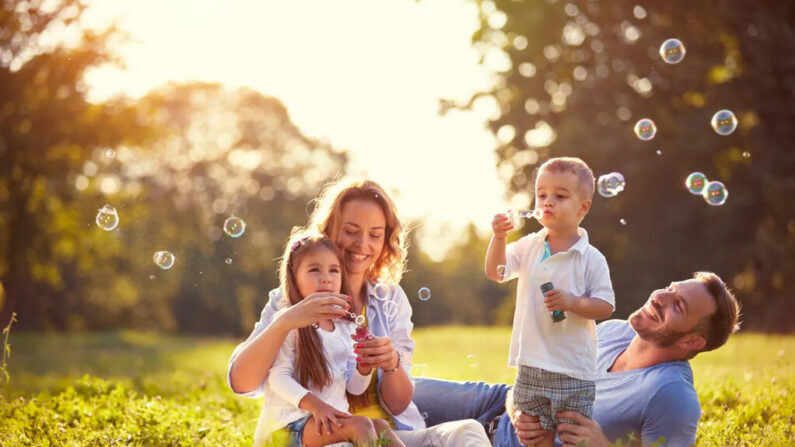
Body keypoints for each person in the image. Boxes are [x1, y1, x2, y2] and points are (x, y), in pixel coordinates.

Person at [229, 178, 490, 446]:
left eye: (375, 235)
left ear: (386, 240)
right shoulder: (291, 300)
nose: (362, 244)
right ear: (329, 231)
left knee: (468, 431)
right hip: (320, 434)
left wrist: (391, 363)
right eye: (351, 231)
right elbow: (243, 382)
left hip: (387, 434)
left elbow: (395, 403)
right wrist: (283, 322)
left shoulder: (390, 300)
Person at [412, 271, 741, 447]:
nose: (659, 297)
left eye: (678, 305)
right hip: (496, 402)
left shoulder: (672, 396)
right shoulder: (614, 331)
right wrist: (517, 402)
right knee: (391, 388)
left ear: (692, 341)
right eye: (670, 288)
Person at [485, 157, 615, 446]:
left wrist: (572, 302)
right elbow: (496, 272)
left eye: (560, 195)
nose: (547, 201)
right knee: (533, 435)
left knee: (573, 437)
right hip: (530, 363)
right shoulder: (529, 245)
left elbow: (605, 306)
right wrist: (498, 238)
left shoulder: (590, 258)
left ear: (583, 207)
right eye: (542, 194)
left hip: (572, 368)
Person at [253, 232, 405, 447]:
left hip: (328, 422)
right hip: (287, 428)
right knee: (361, 426)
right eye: (314, 270)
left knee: (381, 427)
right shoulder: (288, 322)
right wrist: (316, 406)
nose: (326, 277)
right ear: (294, 277)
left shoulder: (347, 327)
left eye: (334, 270)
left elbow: (354, 389)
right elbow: (277, 378)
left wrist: (363, 367)